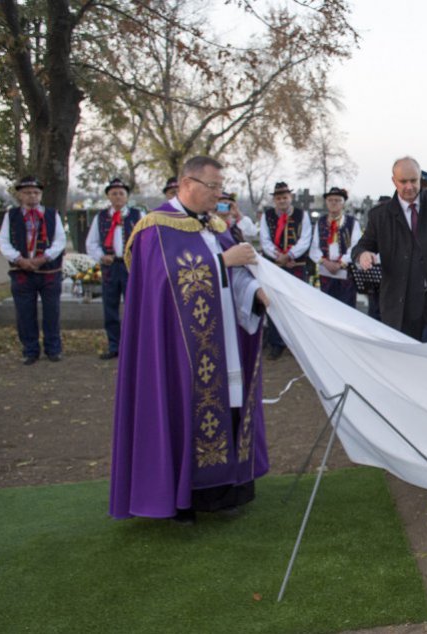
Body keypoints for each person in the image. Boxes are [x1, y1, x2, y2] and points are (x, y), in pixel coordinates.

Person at [109, 156, 270, 523]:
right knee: (185, 406)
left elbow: (238, 273)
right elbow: (163, 285)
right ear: (186, 183)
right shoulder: (154, 228)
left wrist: (256, 291)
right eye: (213, 187)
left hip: (225, 338)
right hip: (179, 350)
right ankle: (188, 495)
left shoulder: (216, 226)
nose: (219, 195)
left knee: (228, 403)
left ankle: (228, 488)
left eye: (221, 187)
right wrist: (221, 264)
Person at [352, 156, 427, 341]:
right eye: (403, 181)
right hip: (402, 303)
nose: (409, 187)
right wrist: (363, 255)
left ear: (420, 179)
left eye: (414, 180)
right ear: (394, 181)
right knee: (406, 358)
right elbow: (361, 246)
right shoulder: (379, 216)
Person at [0, 176, 67, 364]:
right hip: (21, 272)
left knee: (52, 311)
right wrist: (19, 259)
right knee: (24, 312)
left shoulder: (52, 214)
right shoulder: (11, 215)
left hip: (49, 272)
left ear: (41, 195)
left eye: (36, 193)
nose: (32, 196)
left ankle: (53, 349)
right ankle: (30, 350)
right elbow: (4, 242)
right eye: (27, 193)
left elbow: (60, 241)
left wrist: (43, 258)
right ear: (20, 195)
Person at [85, 178, 144, 360]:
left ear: (126, 196)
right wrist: (101, 256)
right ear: (108, 196)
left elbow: (145, 241)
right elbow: (92, 242)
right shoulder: (101, 217)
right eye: (114, 193)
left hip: (130, 268)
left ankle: (134, 348)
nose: (117, 197)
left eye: (121, 193)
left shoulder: (137, 215)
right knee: (109, 307)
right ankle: (114, 346)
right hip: (110, 268)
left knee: (133, 308)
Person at [259, 181, 313, 359]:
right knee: (274, 303)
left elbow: (305, 239)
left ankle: (297, 342)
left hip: (295, 266)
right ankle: (276, 343)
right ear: (275, 200)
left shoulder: (301, 215)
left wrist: (289, 255)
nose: (282, 200)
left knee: (295, 303)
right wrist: (277, 256)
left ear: (290, 198)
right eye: (278, 198)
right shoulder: (267, 216)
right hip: (274, 267)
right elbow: (265, 240)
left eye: (285, 197)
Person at [309, 186, 361, 307]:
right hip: (325, 272)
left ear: (343, 203)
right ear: (326, 202)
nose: (333, 203)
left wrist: (341, 263)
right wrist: (325, 262)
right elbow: (314, 247)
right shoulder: (321, 222)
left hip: (346, 274)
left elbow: (355, 247)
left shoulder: (352, 223)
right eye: (330, 200)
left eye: (337, 200)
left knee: (346, 308)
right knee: (327, 307)